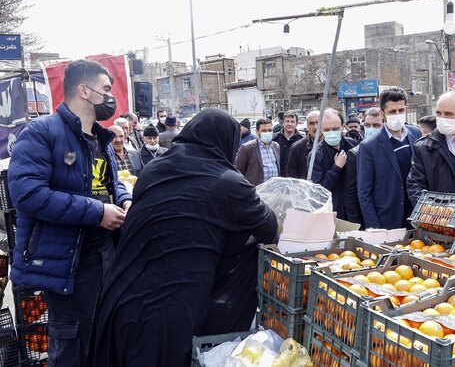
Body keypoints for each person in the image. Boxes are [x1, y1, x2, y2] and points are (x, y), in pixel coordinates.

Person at [91, 109, 278, 367]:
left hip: (122, 291)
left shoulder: (153, 169)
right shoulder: (230, 182)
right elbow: (269, 227)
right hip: (172, 306)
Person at [8, 59, 132, 367]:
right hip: (68, 261)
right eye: (106, 89)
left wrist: (125, 199)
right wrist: (96, 212)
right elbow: (28, 194)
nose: (110, 96)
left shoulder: (100, 139)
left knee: (103, 336)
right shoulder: (41, 133)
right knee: (74, 344)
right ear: (84, 91)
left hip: (105, 252)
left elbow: (110, 182)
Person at [358, 89, 421, 229]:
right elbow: (364, 193)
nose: (397, 115)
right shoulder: (369, 146)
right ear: (382, 113)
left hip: (416, 217)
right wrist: (375, 229)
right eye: (392, 112)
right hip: (387, 220)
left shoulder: (416, 134)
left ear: (406, 109)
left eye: (401, 110)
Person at [311, 108, 357, 220]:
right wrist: (336, 168)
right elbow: (319, 191)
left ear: (343, 127)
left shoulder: (352, 145)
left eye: (335, 129)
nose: (331, 132)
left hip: (354, 209)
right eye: (327, 129)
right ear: (321, 129)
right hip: (333, 213)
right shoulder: (316, 155)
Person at [344, 107, 384, 226]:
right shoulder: (355, 154)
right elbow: (351, 195)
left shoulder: (392, 149)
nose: (371, 129)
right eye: (367, 125)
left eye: (376, 125)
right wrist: (356, 225)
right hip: (367, 219)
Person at [236, 118, 280, 186]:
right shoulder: (247, 148)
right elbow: (239, 173)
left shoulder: (276, 146)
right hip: (256, 192)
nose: (267, 133)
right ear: (257, 131)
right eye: (264, 131)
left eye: (270, 130)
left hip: (274, 191)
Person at [286, 110, 320, 179]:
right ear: (307, 126)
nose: (315, 127)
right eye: (311, 123)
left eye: (318, 123)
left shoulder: (331, 145)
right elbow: (292, 177)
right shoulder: (297, 148)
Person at [273, 111, 303, 175]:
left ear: (297, 123)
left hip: (295, 179)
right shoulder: (274, 139)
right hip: (278, 179)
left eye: (292, 121)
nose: (289, 124)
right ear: (283, 123)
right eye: (287, 121)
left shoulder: (302, 140)